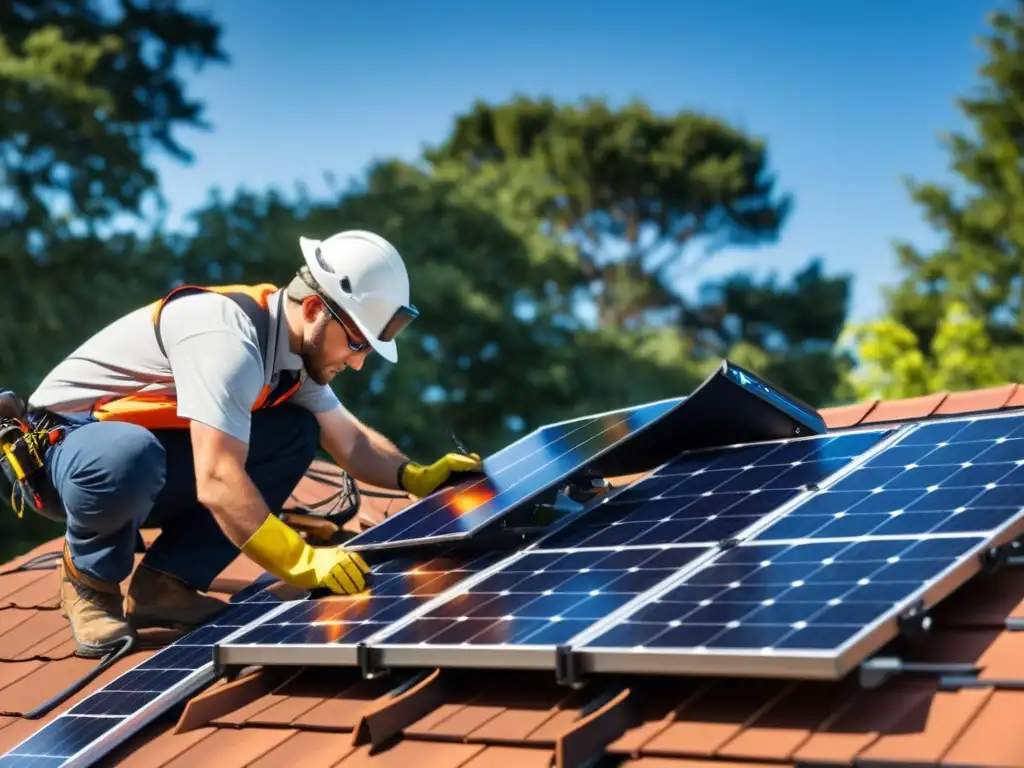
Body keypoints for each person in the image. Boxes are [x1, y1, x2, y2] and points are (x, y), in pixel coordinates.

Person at [5, 230, 482, 658]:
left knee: (296, 431)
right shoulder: (228, 339)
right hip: (62, 458)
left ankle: (165, 585)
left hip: (139, 458)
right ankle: (89, 584)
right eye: (356, 343)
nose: (358, 363)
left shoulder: (291, 357)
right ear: (316, 310)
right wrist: (299, 560)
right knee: (130, 457)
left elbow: (351, 442)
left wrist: (414, 477)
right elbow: (216, 479)